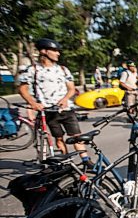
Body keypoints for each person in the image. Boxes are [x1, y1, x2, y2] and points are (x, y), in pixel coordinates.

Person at [18, 38, 92, 166]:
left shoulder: (63, 69)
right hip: (48, 111)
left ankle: (86, 161)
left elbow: (72, 89)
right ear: (44, 51)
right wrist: (33, 103)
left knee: (77, 136)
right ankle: (67, 162)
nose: (58, 53)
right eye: (54, 50)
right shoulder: (33, 70)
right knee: (58, 138)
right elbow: (22, 89)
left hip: (66, 110)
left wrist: (65, 99)